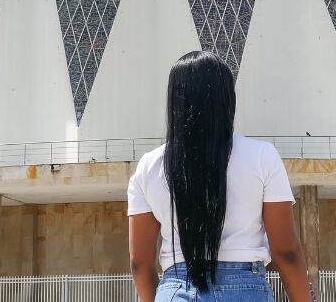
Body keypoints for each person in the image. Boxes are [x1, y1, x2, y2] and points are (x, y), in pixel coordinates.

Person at [128, 51, 314, 302]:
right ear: (227, 99)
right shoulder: (262, 156)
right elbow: (286, 252)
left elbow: (140, 263)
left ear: (175, 100)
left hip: (175, 289)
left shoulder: (149, 166)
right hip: (245, 289)